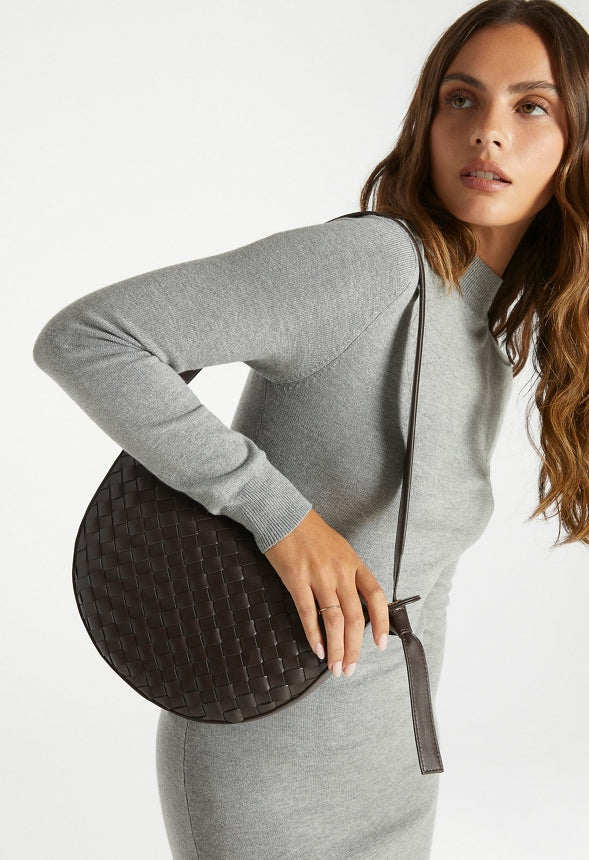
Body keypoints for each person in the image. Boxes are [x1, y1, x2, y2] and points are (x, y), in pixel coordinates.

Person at [31, 0, 589, 857]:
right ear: (426, 121)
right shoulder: (371, 265)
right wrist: (282, 517)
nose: (487, 131)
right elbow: (87, 338)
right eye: (461, 99)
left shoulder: (480, 331)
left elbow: (417, 584)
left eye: (530, 106)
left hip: (390, 765)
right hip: (262, 749)